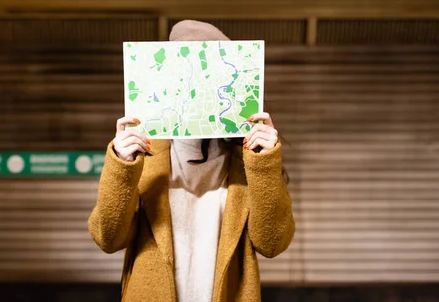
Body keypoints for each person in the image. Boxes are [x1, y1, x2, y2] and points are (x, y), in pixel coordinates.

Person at [88, 20, 295, 302]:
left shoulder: (248, 162)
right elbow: (108, 239)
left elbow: (272, 244)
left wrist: (264, 162)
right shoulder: (141, 156)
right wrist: (121, 166)